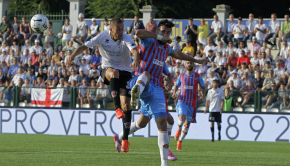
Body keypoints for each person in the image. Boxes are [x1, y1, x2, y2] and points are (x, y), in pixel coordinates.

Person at [119, 19, 205, 163]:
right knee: (146, 74)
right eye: (163, 32)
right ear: (157, 32)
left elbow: (178, 55)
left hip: (157, 89)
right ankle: (137, 91)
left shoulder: (166, 50)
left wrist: (195, 60)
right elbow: (138, 32)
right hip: (142, 82)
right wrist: (159, 37)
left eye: (168, 33)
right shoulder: (150, 42)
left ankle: (121, 136)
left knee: (147, 123)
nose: (166, 34)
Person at [71, 18, 140, 152]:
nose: (121, 32)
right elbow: (84, 46)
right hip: (108, 70)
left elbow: (135, 51)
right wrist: (72, 55)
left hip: (125, 72)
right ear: (111, 29)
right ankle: (117, 109)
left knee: (127, 105)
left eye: (122, 29)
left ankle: (125, 139)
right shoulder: (102, 36)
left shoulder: (126, 37)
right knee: (114, 73)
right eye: (118, 29)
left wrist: (136, 60)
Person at [172, 61, 205, 150]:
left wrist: (203, 93)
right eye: (188, 63)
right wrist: (175, 93)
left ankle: (180, 141)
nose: (189, 64)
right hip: (182, 101)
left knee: (187, 124)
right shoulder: (181, 76)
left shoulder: (198, 76)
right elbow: (176, 85)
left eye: (191, 63)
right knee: (182, 118)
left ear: (193, 65)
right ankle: (178, 129)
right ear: (185, 65)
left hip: (193, 103)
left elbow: (203, 86)